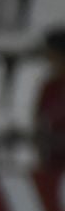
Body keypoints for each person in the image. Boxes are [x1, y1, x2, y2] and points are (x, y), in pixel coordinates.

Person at [33, 28, 65, 168]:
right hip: (53, 162)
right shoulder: (49, 87)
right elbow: (39, 121)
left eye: (52, 55)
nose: (49, 60)